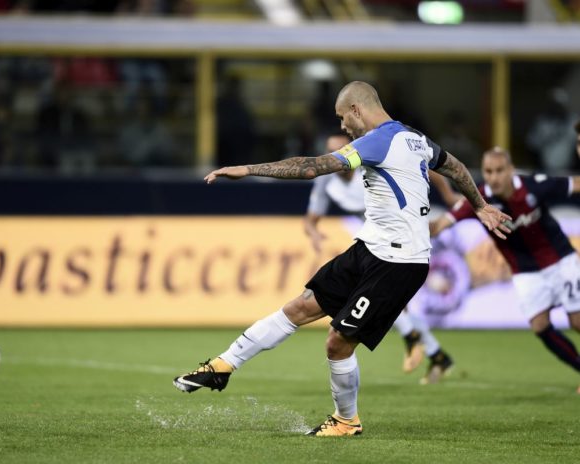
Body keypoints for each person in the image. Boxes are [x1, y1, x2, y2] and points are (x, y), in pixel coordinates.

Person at [173, 81, 510, 437]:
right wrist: (479, 205)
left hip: (399, 262)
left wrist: (248, 169)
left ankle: (346, 420)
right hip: (370, 248)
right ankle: (223, 365)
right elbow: (455, 167)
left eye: (342, 117)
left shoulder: (376, 141)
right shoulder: (415, 138)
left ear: (356, 110)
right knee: (300, 307)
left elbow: (312, 168)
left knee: (337, 342)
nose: (342, 126)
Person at [305, 133, 457, 384]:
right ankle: (434, 354)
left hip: (412, 226)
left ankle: (418, 341)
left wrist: (448, 195)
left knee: (386, 296)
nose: (337, 156)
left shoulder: (368, 159)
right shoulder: (326, 180)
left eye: (341, 149)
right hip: (380, 237)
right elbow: (311, 220)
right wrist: (314, 234)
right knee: (390, 299)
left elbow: (425, 165)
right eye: (332, 151)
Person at [431, 146, 580, 394]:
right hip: (525, 272)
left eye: (500, 170)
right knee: (539, 326)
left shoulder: (533, 186)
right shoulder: (478, 200)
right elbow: (439, 225)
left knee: (576, 321)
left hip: (560, 260)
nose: (494, 177)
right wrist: (413, 226)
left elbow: (574, 184)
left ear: (511, 170)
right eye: (488, 171)